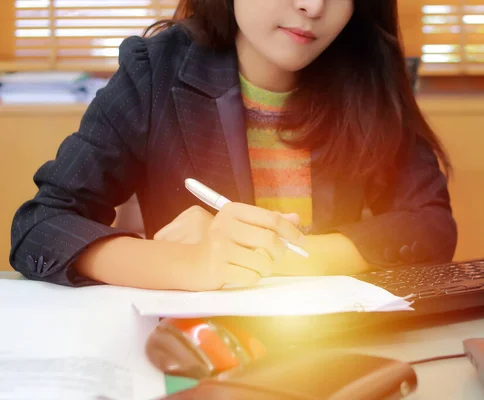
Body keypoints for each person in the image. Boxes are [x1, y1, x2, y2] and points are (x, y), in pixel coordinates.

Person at [9, 0, 457, 291]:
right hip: (197, 347)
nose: (313, 6)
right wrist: (184, 264)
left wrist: (279, 257)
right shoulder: (155, 69)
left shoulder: (365, 72)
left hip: (324, 345)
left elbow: (430, 225)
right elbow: (41, 225)